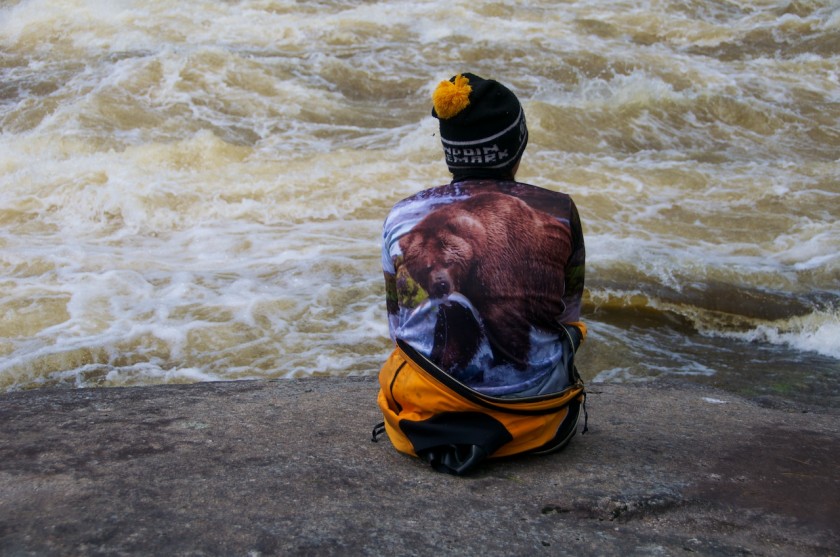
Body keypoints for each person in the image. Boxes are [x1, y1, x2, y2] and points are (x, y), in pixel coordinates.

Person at [374, 73, 586, 474]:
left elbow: (398, 329)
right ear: (518, 144)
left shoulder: (401, 218)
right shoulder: (560, 209)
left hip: (425, 422)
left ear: (450, 152)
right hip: (536, 423)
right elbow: (568, 317)